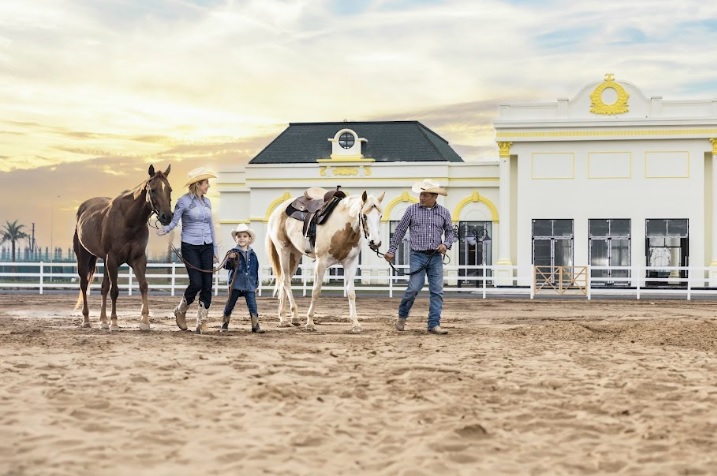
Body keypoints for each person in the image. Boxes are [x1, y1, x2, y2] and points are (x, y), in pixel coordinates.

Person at [384, 179, 455, 335]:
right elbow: (400, 231)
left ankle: (433, 324)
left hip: (435, 257)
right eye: (421, 194)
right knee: (414, 287)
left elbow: (450, 232)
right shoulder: (411, 210)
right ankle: (402, 316)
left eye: (425, 195)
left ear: (434, 196)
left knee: (437, 291)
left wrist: (446, 244)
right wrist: (391, 250)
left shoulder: (444, 212)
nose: (421, 197)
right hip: (417, 255)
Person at [157, 167, 219, 334]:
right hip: (190, 245)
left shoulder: (207, 202)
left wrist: (215, 249)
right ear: (198, 184)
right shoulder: (183, 201)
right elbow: (175, 221)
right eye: (206, 183)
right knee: (196, 283)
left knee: (207, 285)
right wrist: (165, 230)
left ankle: (202, 321)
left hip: (206, 245)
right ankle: (181, 309)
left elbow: (210, 226)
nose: (208, 186)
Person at [221, 224, 264, 333]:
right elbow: (226, 267)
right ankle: (225, 323)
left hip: (249, 284)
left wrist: (256, 284)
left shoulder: (253, 254)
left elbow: (255, 270)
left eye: (245, 236)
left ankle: (255, 325)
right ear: (236, 238)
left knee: (252, 305)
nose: (242, 239)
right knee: (230, 304)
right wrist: (230, 260)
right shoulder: (233, 252)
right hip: (236, 284)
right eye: (239, 236)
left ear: (249, 239)